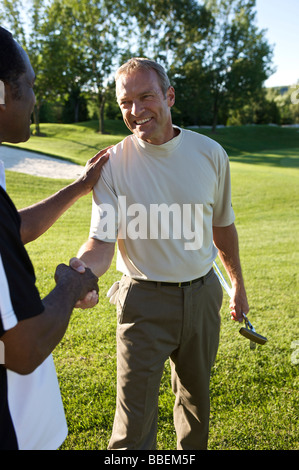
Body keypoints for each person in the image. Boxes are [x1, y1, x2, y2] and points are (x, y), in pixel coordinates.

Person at [76, 57, 249, 450]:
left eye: (146, 97)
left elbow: (222, 227)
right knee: (132, 426)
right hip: (142, 301)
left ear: (169, 96)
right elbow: (101, 243)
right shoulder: (111, 165)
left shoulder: (211, 154)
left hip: (203, 296)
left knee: (196, 408)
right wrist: (82, 274)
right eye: (125, 102)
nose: (135, 111)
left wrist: (237, 285)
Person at [0, 26, 108, 450]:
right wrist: (71, 285)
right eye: (28, 85)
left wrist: (80, 186)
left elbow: (12, 229)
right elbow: (24, 349)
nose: (34, 99)